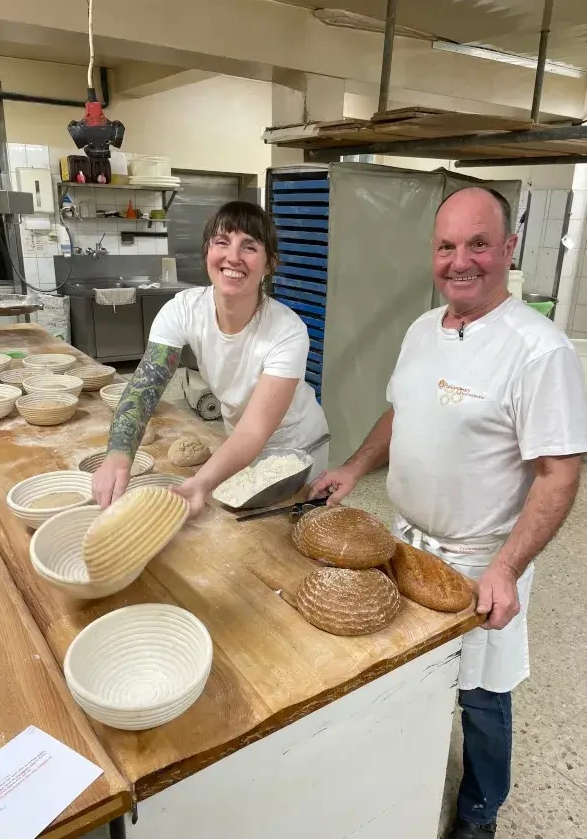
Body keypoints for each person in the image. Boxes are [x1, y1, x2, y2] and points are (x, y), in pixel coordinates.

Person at [310, 187, 587, 838]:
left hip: (481, 558)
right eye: (446, 246)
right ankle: (407, 774)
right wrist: (353, 467)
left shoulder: (539, 350)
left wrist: (507, 568)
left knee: (482, 697)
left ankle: (481, 808)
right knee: (411, 676)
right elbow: (402, 411)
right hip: (404, 546)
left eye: (478, 244)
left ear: (509, 249)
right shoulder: (420, 328)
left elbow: (559, 473)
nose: (460, 261)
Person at [93, 200, 328, 514]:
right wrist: (117, 456)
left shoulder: (287, 331)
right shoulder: (183, 309)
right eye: (222, 242)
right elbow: (143, 389)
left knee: (282, 535)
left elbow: (256, 429)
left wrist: (202, 482)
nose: (233, 257)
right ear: (207, 251)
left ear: (270, 263)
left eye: (249, 247)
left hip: (293, 446)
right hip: (238, 442)